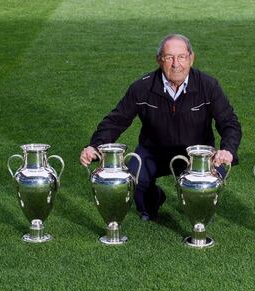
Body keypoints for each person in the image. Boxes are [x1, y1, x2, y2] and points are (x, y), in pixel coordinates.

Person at [80, 34, 242, 221]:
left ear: (191, 58)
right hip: (153, 151)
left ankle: (199, 210)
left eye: (181, 57)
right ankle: (153, 201)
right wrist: (95, 145)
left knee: (201, 201)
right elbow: (116, 121)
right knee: (135, 180)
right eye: (169, 57)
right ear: (159, 60)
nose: (176, 64)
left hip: (198, 155)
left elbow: (229, 122)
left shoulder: (208, 86)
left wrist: (227, 150)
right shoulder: (142, 87)